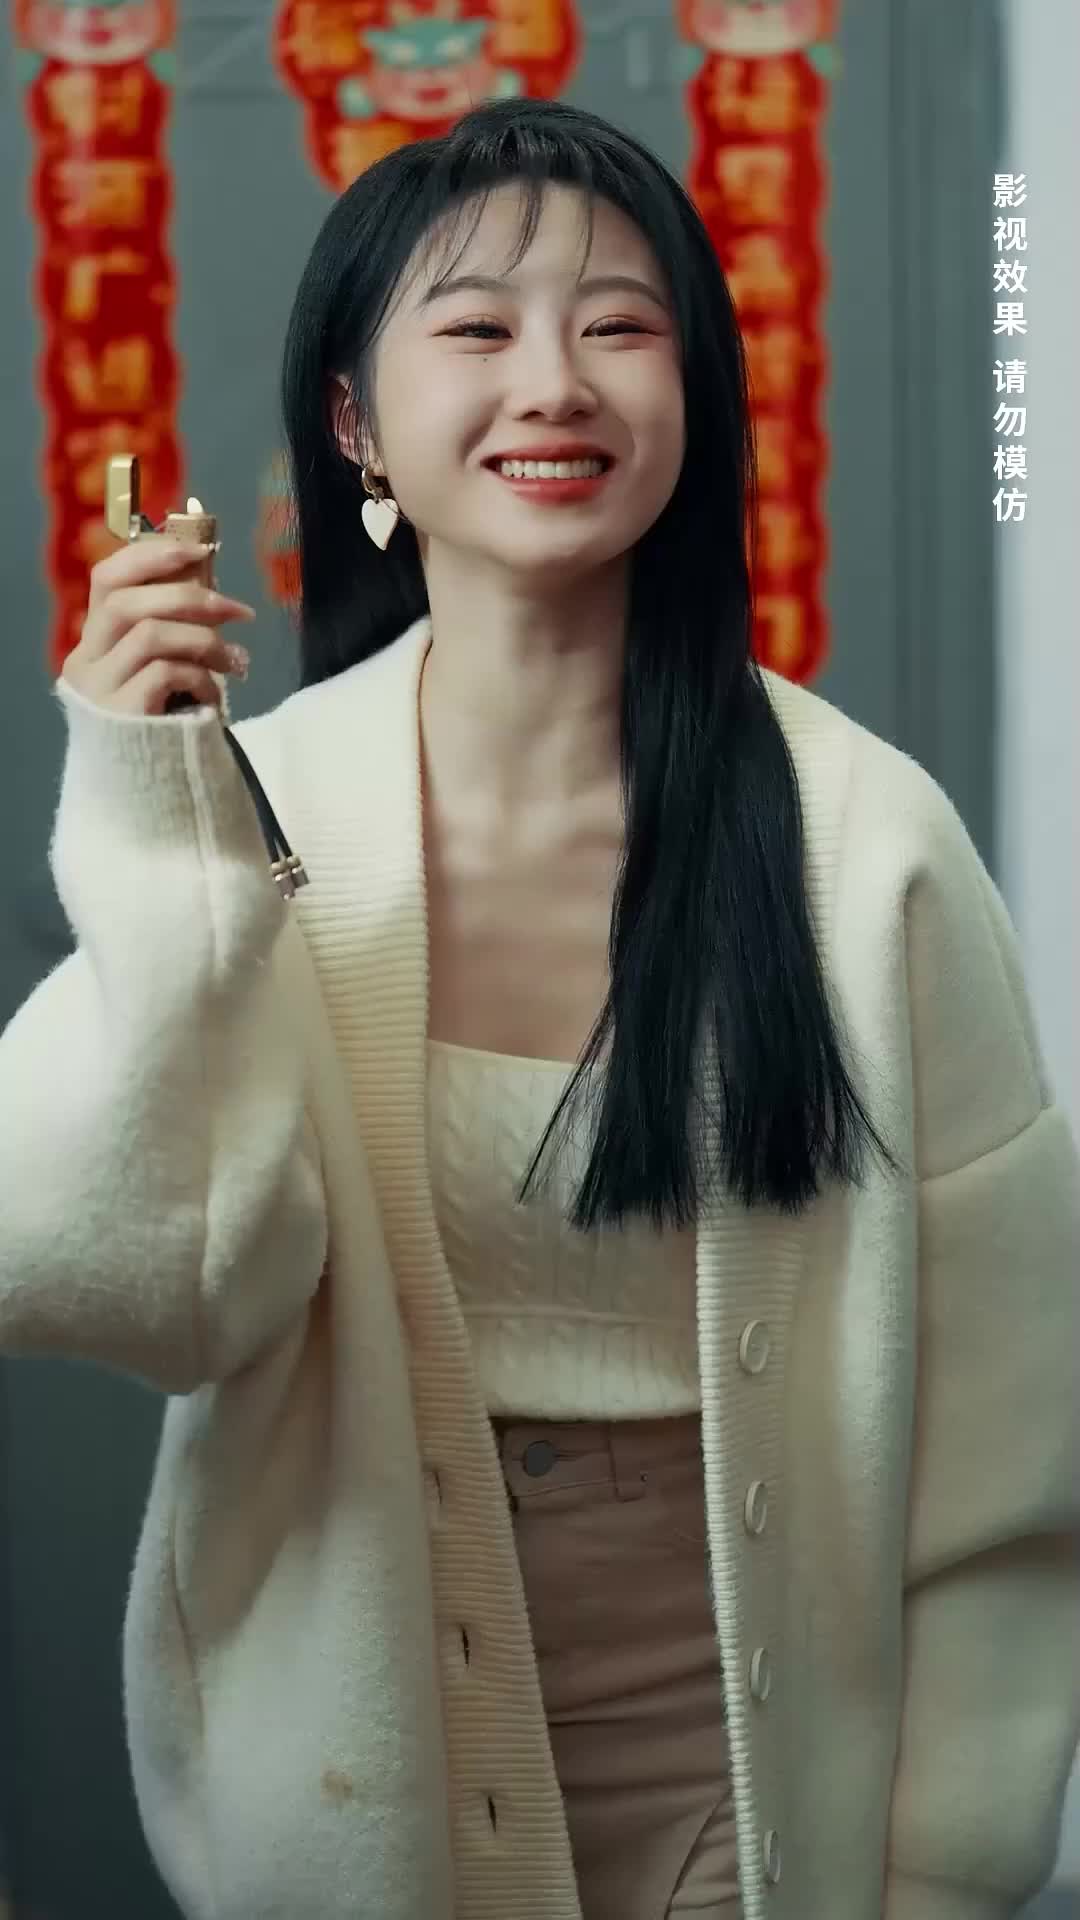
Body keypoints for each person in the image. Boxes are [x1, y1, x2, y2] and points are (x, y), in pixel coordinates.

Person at [1, 97, 1078, 1920]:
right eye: (479, 328)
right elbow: (124, 1283)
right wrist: (146, 810)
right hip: (363, 1765)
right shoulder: (264, 810)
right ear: (357, 421)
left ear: (693, 393)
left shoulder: (867, 841)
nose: (555, 384)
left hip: (767, 1773)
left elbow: (1006, 1442)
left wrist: (947, 1870)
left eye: (620, 325)